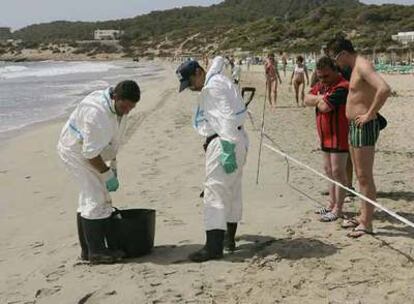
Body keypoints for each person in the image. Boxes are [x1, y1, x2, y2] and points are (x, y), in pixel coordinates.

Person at [57, 80, 141, 263]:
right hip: (75, 151)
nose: (127, 111)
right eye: (125, 106)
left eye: (131, 108)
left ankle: (88, 251)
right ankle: (96, 252)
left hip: (90, 150)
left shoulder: (117, 107)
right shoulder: (97, 114)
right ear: (116, 97)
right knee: (95, 196)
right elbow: (90, 154)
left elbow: (110, 142)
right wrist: (107, 174)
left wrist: (113, 166)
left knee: (91, 196)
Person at [176, 57, 249, 262]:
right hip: (238, 139)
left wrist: (226, 148)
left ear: (199, 72)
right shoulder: (218, 79)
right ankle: (229, 239)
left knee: (214, 194)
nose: (190, 88)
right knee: (233, 191)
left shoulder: (212, 88)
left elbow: (226, 117)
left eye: (190, 82)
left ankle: (213, 248)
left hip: (225, 140)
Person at [327, 37, 391, 238]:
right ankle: (363, 216)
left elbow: (384, 89)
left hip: (364, 126)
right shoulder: (354, 68)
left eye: (336, 59)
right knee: (359, 174)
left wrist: (371, 113)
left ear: (344, 54)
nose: (336, 64)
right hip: (355, 125)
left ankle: (367, 223)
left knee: (364, 176)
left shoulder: (363, 66)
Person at [305, 57, 350, 222]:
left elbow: (325, 107)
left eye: (326, 76)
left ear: (335, 71)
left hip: (339, 136)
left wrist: (318, 99)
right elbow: (306, 99)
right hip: (325, 136)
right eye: (320, 77)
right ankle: (331, 204)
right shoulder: (323, 85)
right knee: (329, 171)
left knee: (338, 172)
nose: (322, 80)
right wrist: (320, 97)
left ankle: (338, 208)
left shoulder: (342, 87)